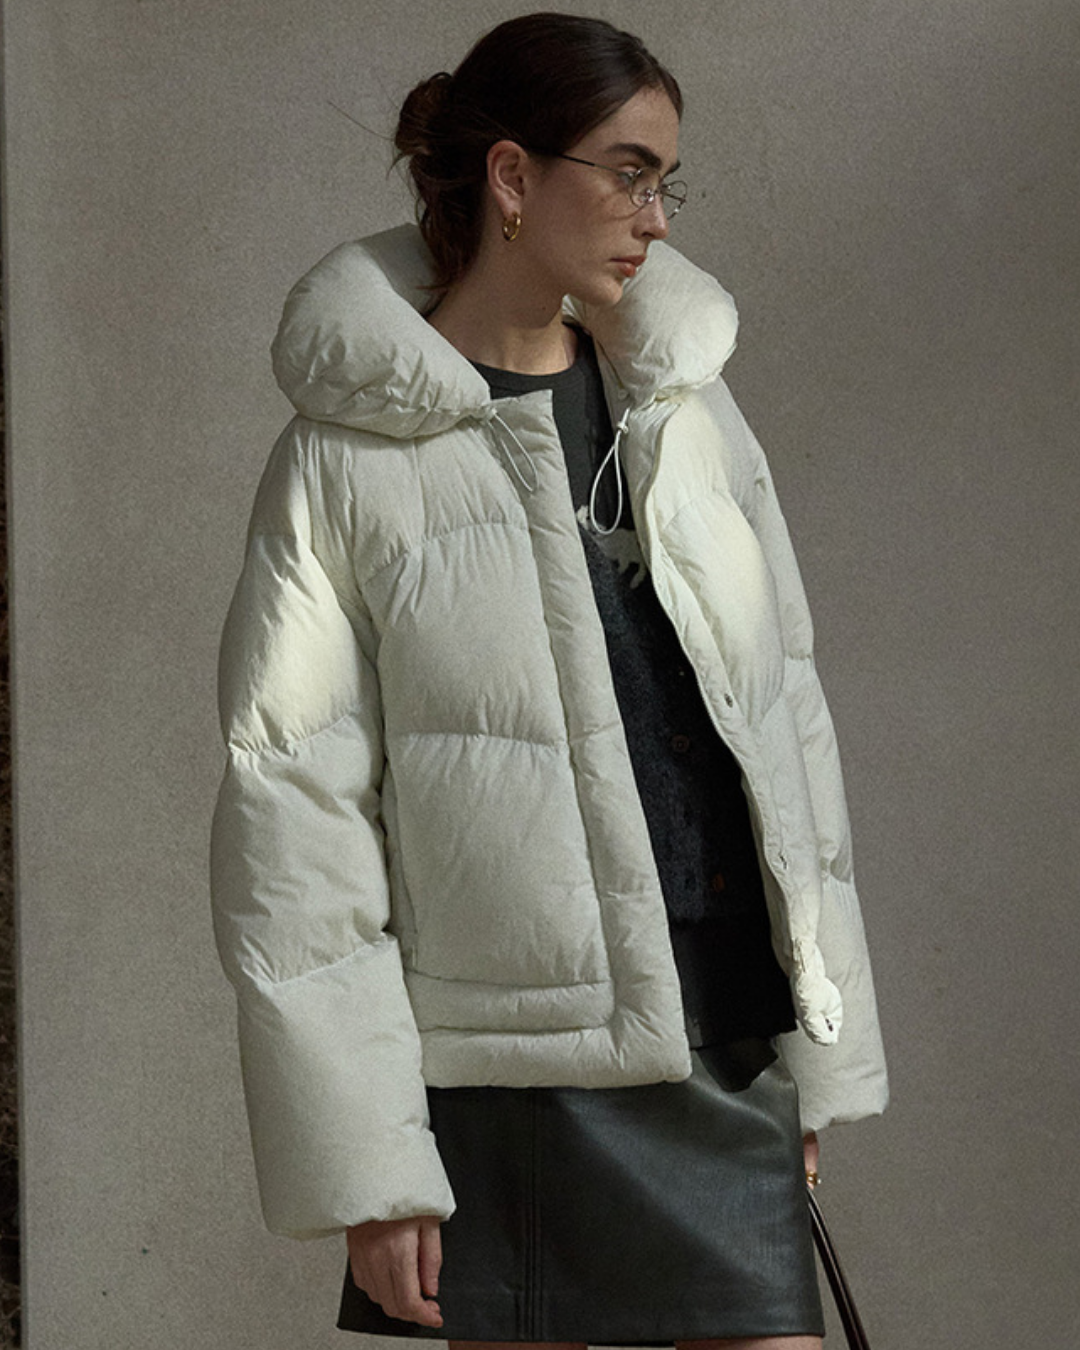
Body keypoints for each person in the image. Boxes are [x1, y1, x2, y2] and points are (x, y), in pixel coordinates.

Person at [211, 12, 888, 1349]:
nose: (657, 217)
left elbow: (788, 726)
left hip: (718, 1020)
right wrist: (368, 1164)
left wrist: (814, 1048)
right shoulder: (345, 460)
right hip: (506, 1066)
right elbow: (293, 821)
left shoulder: (687, 409)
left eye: (668, 181)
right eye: (629, 173)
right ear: (513, 177)